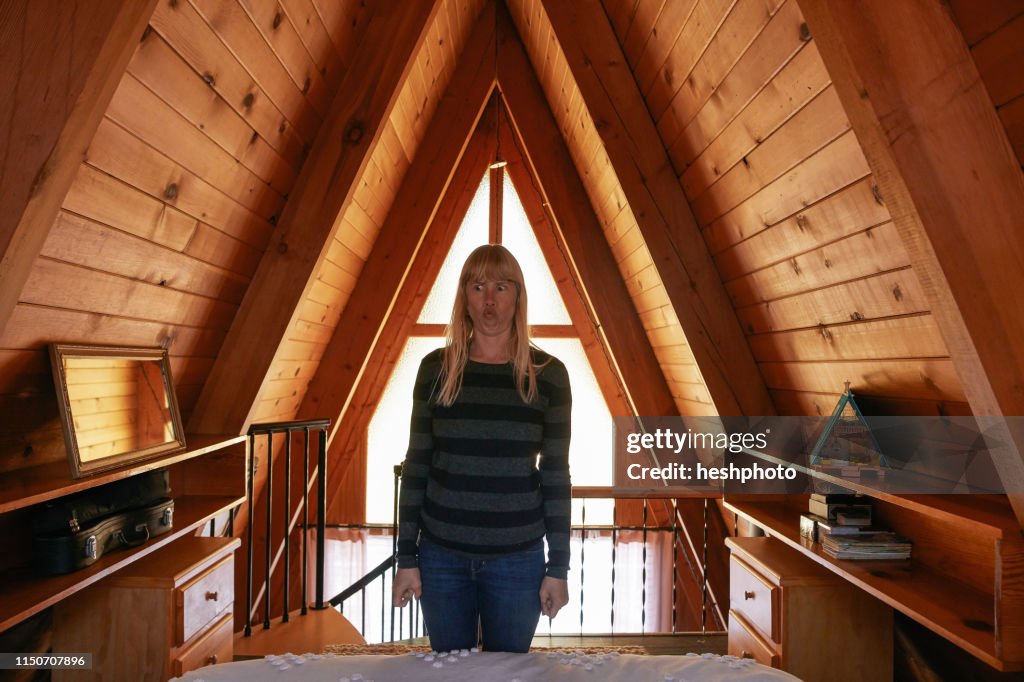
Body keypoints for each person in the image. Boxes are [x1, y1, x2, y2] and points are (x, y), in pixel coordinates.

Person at [391, 244, 571, 653]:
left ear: (517, 297)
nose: (490, 299)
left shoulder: (550, 377)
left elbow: (557, 475)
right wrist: (407, 558)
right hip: (441, 559)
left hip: (517, 561)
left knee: (508, 675)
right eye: (478, 286)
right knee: (449, 674)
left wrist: (557, 566)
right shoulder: (436, 370)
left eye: (501, 287)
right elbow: (417, 465)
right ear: (465, 299)